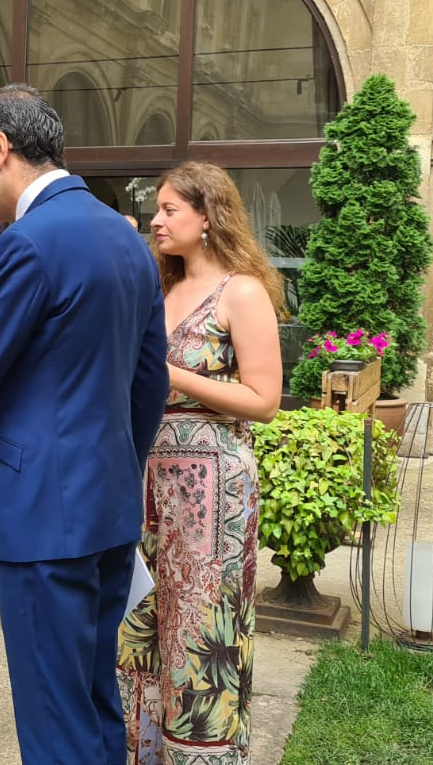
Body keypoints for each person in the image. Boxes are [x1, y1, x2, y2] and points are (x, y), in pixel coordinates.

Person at [0, 84, 169, 764]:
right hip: (109, 508)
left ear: (2, 149)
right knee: (92, 701)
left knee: (55, 723)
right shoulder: (125, 235)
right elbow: (151, 383)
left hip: (44, 521)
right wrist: (115, 461)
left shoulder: (28, 243)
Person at [119, 161, 283, 764]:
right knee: (139, 622)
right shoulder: (157, 289)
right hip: (144, 480)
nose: (156, 220)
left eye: (169, 210)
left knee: (199, 626)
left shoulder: (240, 291)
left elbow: (264, 400)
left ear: (207, 217)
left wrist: (170, 375)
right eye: (156, 209)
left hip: (214, 489)